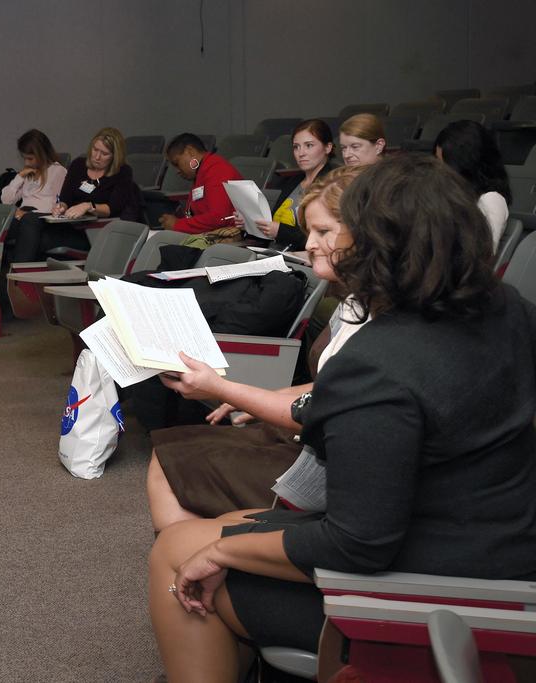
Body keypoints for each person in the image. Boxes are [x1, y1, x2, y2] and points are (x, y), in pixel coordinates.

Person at [147, 154, 536, 682]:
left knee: (178, 555)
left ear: (380, 243)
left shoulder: (379, 361)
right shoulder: (506, 307)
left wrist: (221, 553)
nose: (319, 245)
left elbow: (359, 543)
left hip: (431, 594)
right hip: (499, 549)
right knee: (215, 534)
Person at [147, 166, 366, 532]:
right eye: (310, 231)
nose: (309, 244)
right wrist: (263, 396)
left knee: (173, 464)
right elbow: (340, 387)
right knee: (171, 449)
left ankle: (189, 566)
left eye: (323, 232)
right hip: (320, 438)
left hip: (333, 465)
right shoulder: (354, 301)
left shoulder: (379, 317)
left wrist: (224, 389)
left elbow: (342, 400)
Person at [10, 127, 141, 262]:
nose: (97, 157)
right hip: (70, 225)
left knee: (31, 239)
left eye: (104, 153)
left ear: (115, 156)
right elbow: (65, 199)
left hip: (92, 233)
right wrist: (60, 206)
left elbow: (113, 208)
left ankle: (17, 277)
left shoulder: (122, 172)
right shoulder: (78, 165)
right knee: (29, 221)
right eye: (95, 150)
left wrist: (89, 206)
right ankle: (17, 275)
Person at [237, 118, 339, 251]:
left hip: (303, 260)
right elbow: (273, 229)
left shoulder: (333, 184)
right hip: (273, 254)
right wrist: (250, 225)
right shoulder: (291, 181)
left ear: (328, 147)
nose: (301, 153)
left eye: (309, 145)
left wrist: (280, 232)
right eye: (296, 147)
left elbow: (328, 237)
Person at [435, 118, 512, 249]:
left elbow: (479, 257)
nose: (439, 172)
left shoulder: (491, 201)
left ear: (465, 165)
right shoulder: (450, 195)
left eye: (446, 166)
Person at [158, 134, 242, 242]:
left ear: (190, 151)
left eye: (177, 163)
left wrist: (177, 224)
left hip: (230, 238)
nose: (177, 171)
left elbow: (218, 218)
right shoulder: (202, 172)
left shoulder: (216, 170)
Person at [0, 128, 66, 220]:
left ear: (42, 154)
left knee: (25, 222)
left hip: (40, 219)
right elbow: (6, 201)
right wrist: (20, 176)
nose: (26, 163)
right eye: (24, 158)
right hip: (23, 216)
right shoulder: (28, 173)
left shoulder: (57, 171)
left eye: (30, 159)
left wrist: (28, 214)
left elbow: (57, 206)